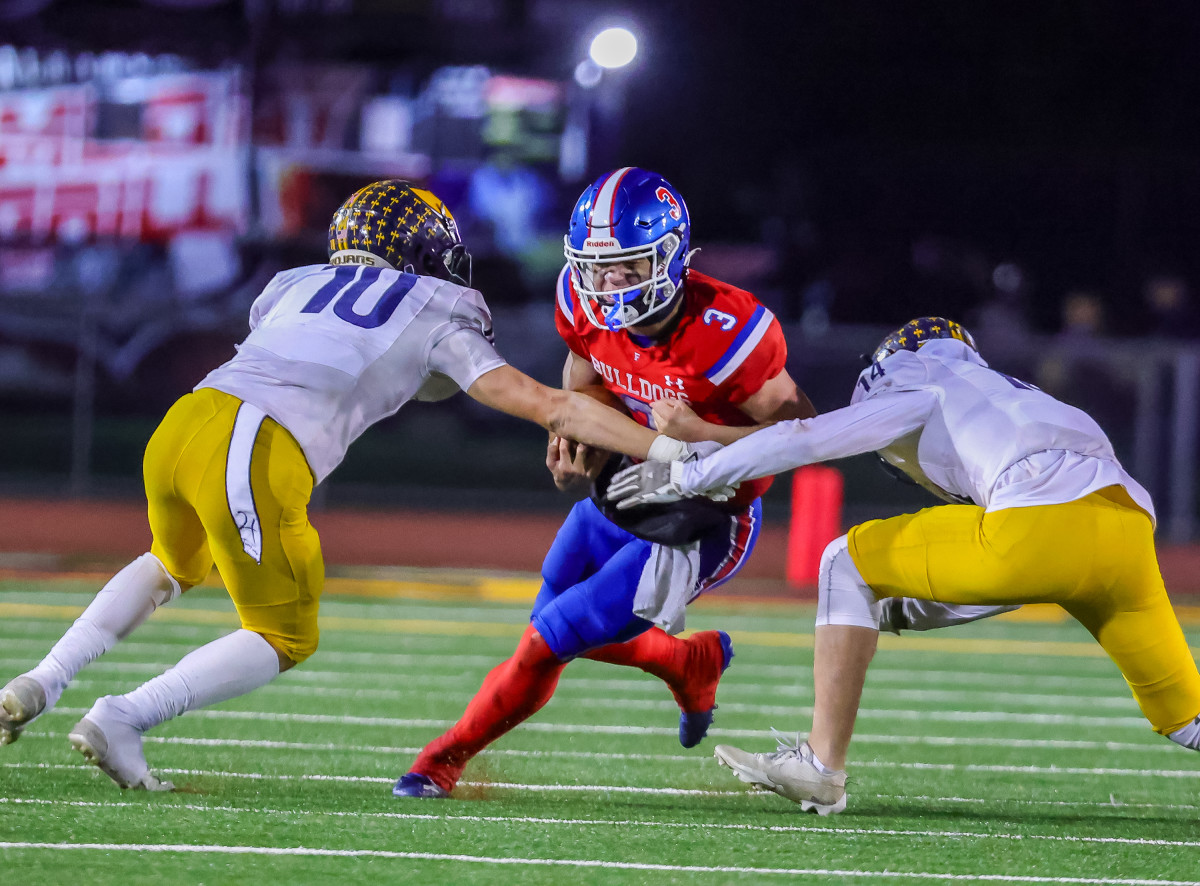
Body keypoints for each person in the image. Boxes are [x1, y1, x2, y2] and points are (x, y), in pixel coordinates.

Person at [0, 179, 678, 792]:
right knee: (283, 634)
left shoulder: (292, 283)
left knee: (171, 562)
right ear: (417, 250)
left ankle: (42, 680)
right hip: (255, 445)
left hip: (186, 422)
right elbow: (538, 401)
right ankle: (123, 716)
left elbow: (356, 356)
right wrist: (668, 447)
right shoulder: (438, 302)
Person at [606, 316, 1200, 814]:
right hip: (1125, 529)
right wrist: (913, 609)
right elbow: (1026, 579)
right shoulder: (1013, 393)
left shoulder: (916, 381)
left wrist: (688, 471)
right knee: (1186, 718)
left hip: (1033, 524)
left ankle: (821, 765)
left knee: (844, 560)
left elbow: (807, 438)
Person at [393, 167, 816, 799]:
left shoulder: (727, 329)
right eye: (596, 268)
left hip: (702, 519)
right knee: (549, 619)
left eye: (627, 267)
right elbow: (583, 370)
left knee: (548, 640)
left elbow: (807, 437)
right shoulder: (579, 298)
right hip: (625, 486)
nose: (607, 284)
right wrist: (577, 436)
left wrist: (703, 438)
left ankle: (439, 761)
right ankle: (685, 661)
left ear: (670, 257)